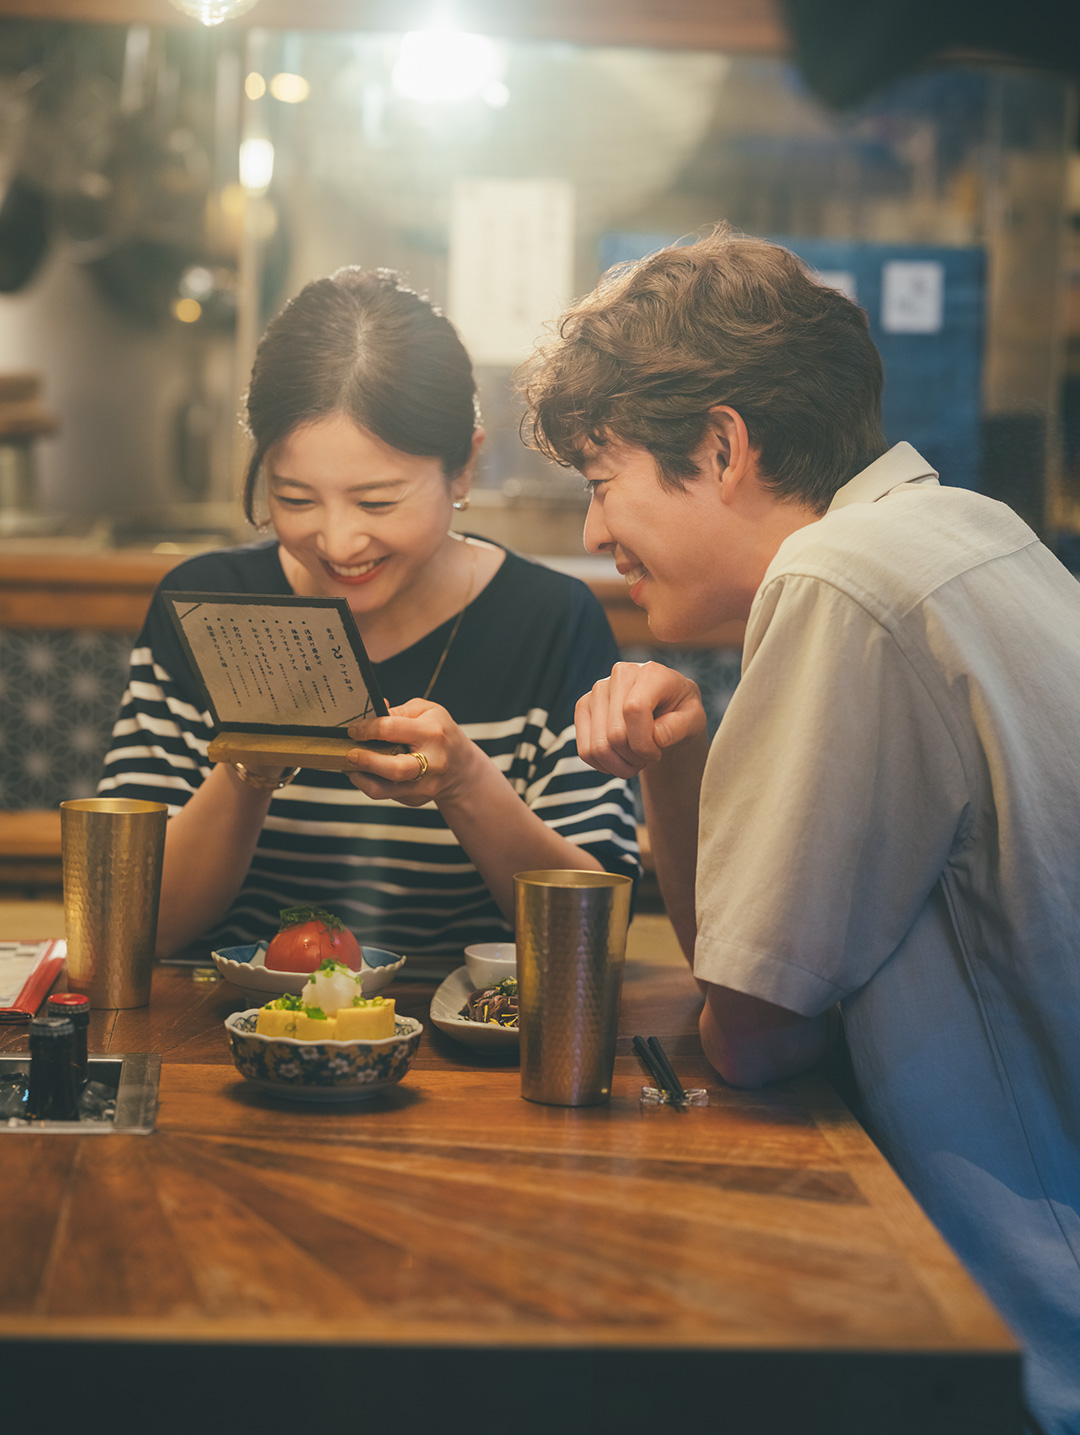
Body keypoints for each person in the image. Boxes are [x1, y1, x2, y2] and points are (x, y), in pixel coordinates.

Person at [519, 225, 1080, 1435]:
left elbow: (758, 1036)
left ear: (720, 446)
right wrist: (676, 770)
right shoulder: (971, 532)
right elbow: (760, 971)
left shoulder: (840, 581)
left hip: (1017, 1337)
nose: (592, 537)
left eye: (601, 479)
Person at [100, 267, 639, 973]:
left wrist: (468, 783)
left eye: (378, 502)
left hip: (466, 1046)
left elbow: (592, 943)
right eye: (294, 497)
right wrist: (246, 767)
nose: (339, 541)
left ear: (463, 470)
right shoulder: (206, 611)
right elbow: (136, 929)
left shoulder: (551, 623)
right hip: (225, 1036)